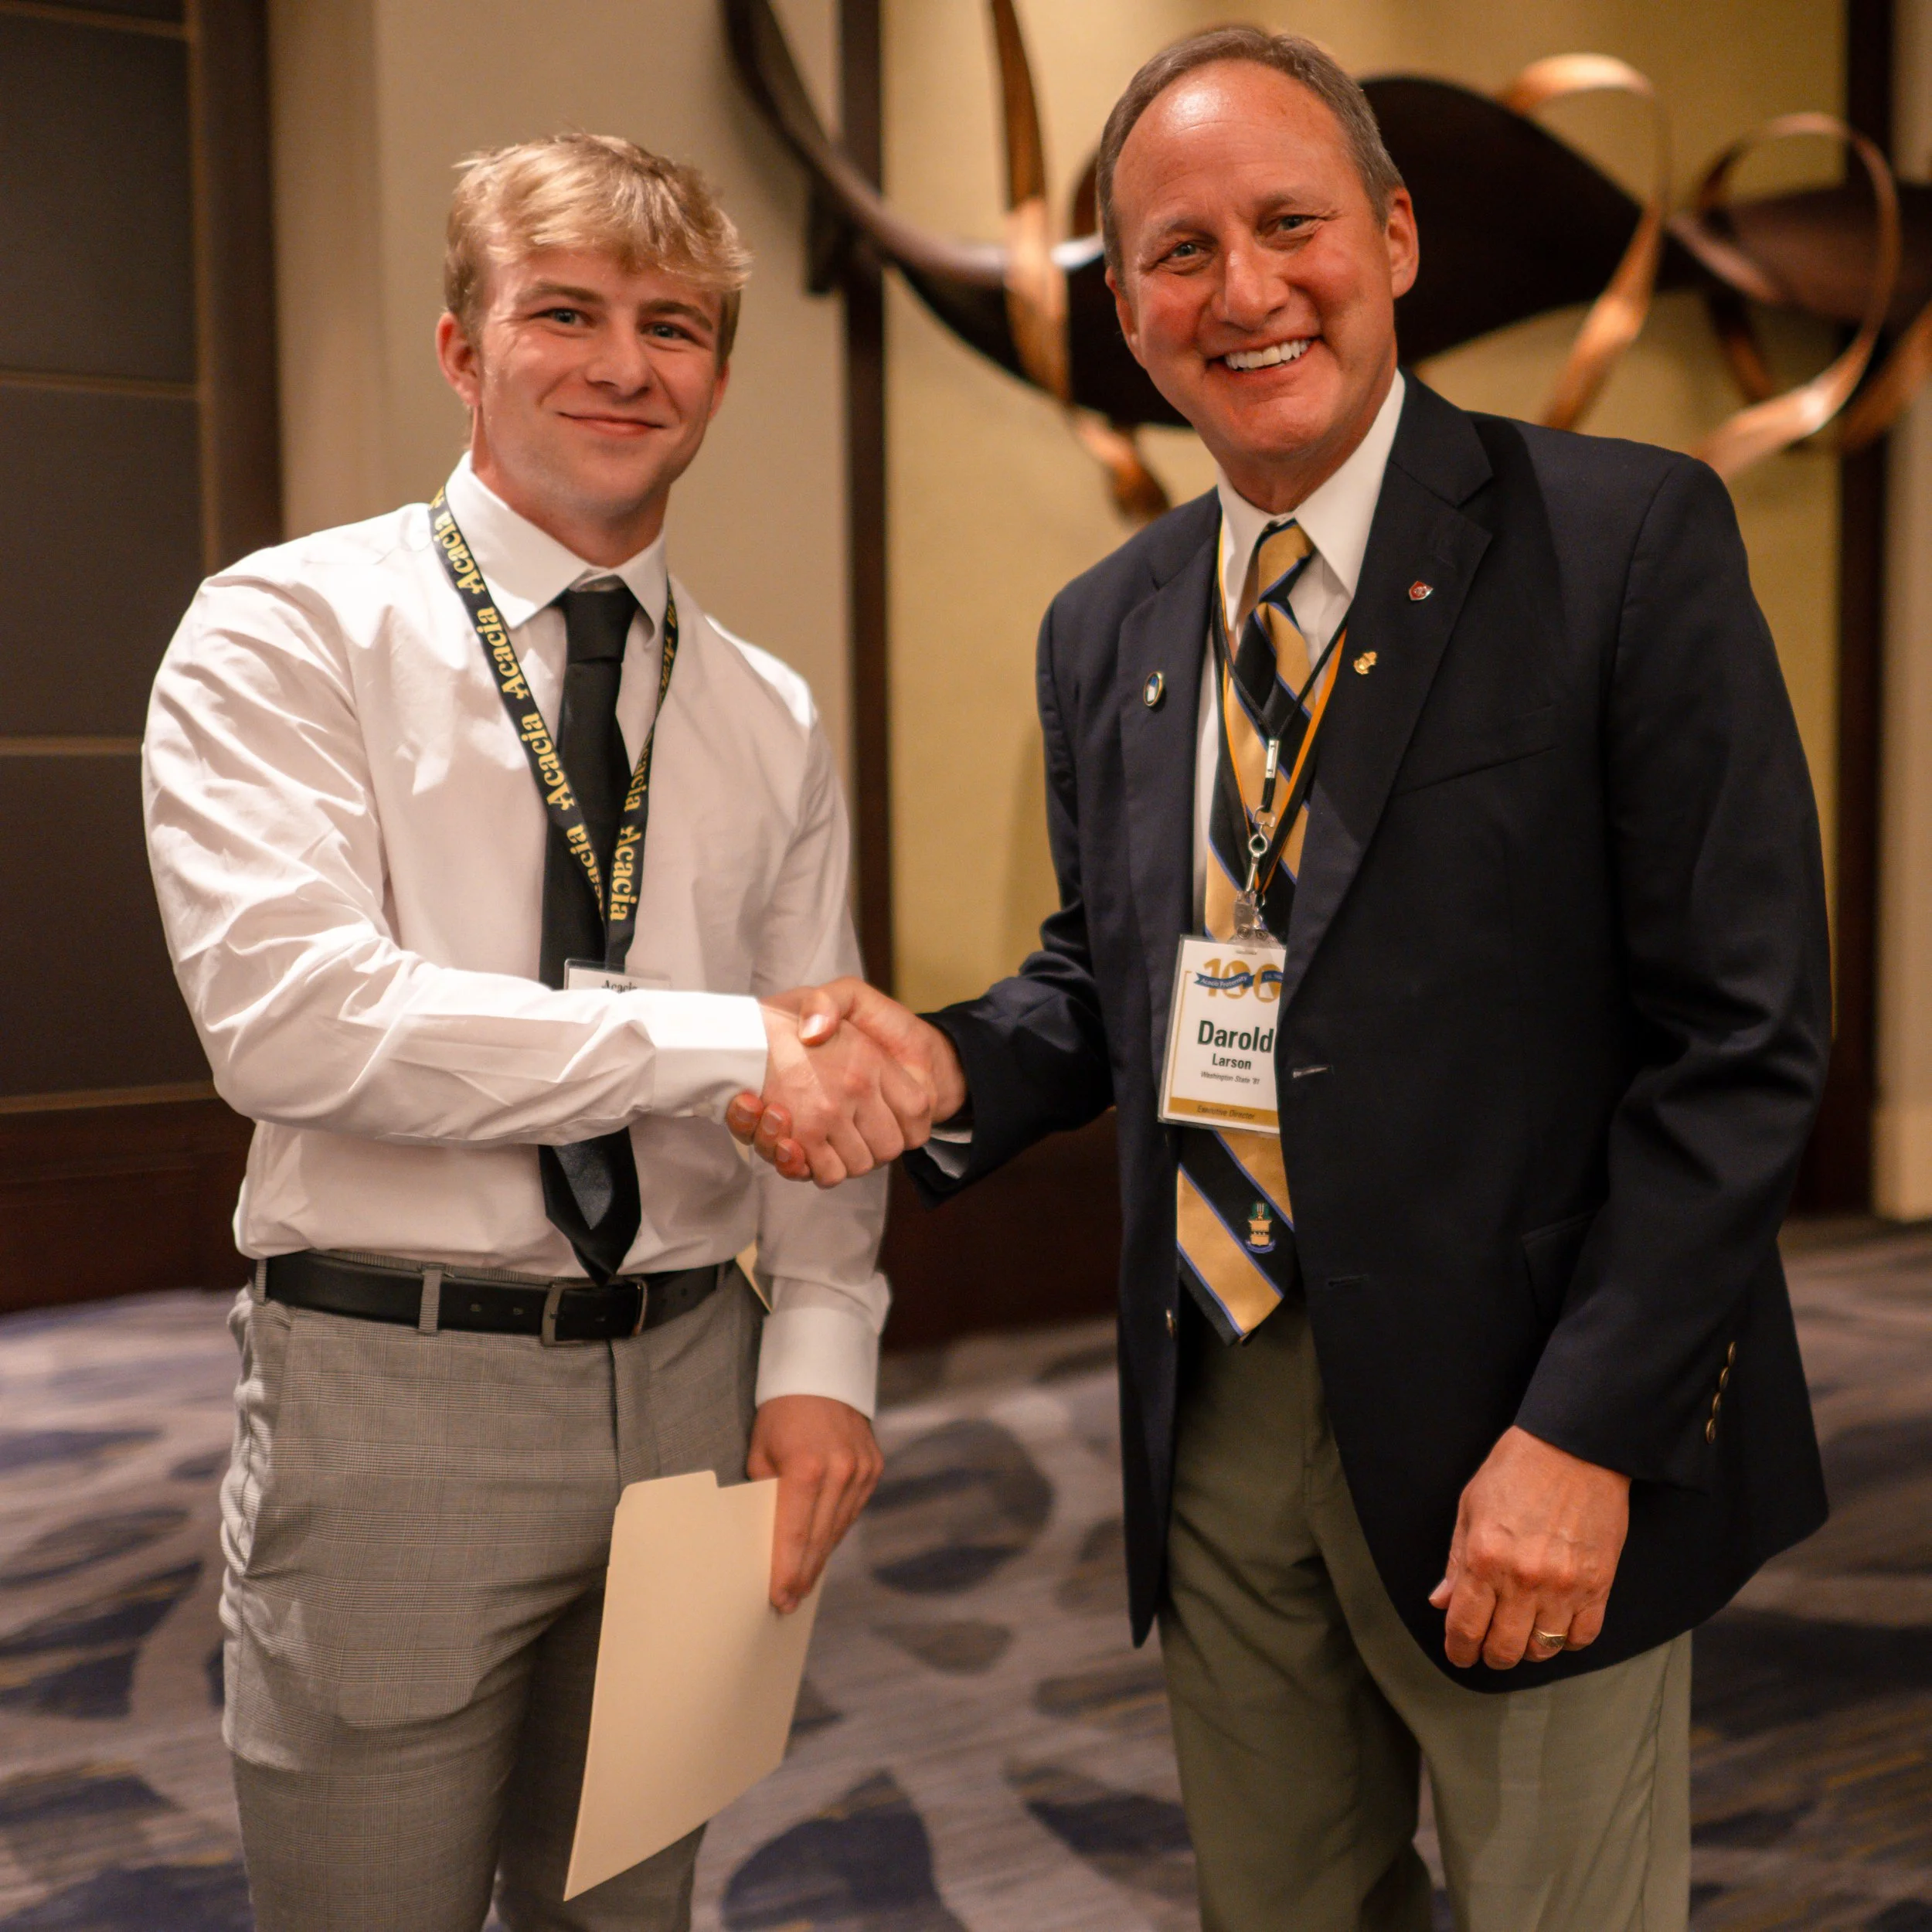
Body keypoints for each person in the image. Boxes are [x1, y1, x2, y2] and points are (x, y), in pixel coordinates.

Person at [736, 29, 1832, 1931]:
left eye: (1288, 223)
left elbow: (1738, 1042)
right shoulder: (1108, 627)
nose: (1240, 289)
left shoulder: (1621, 540)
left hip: (1522, 1404)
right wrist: (949, 1058)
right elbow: (1119, 974)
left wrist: (1586, 1434)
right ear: (1130, 320)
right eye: (1174, 253)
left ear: (1393, 239)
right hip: (1219, 1401)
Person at [144, 134, 933, 1932]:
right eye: (561, 312)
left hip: (689, 1388)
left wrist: (822, 1347)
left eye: (673, 326)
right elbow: (298, 1025)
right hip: (394, 1388)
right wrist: (708, 1038)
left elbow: (817, 1067)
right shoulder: (289, 629)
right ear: (460, 347)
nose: (621, 364)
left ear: (719, 374)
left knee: (630, 1904)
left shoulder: (762, 711)